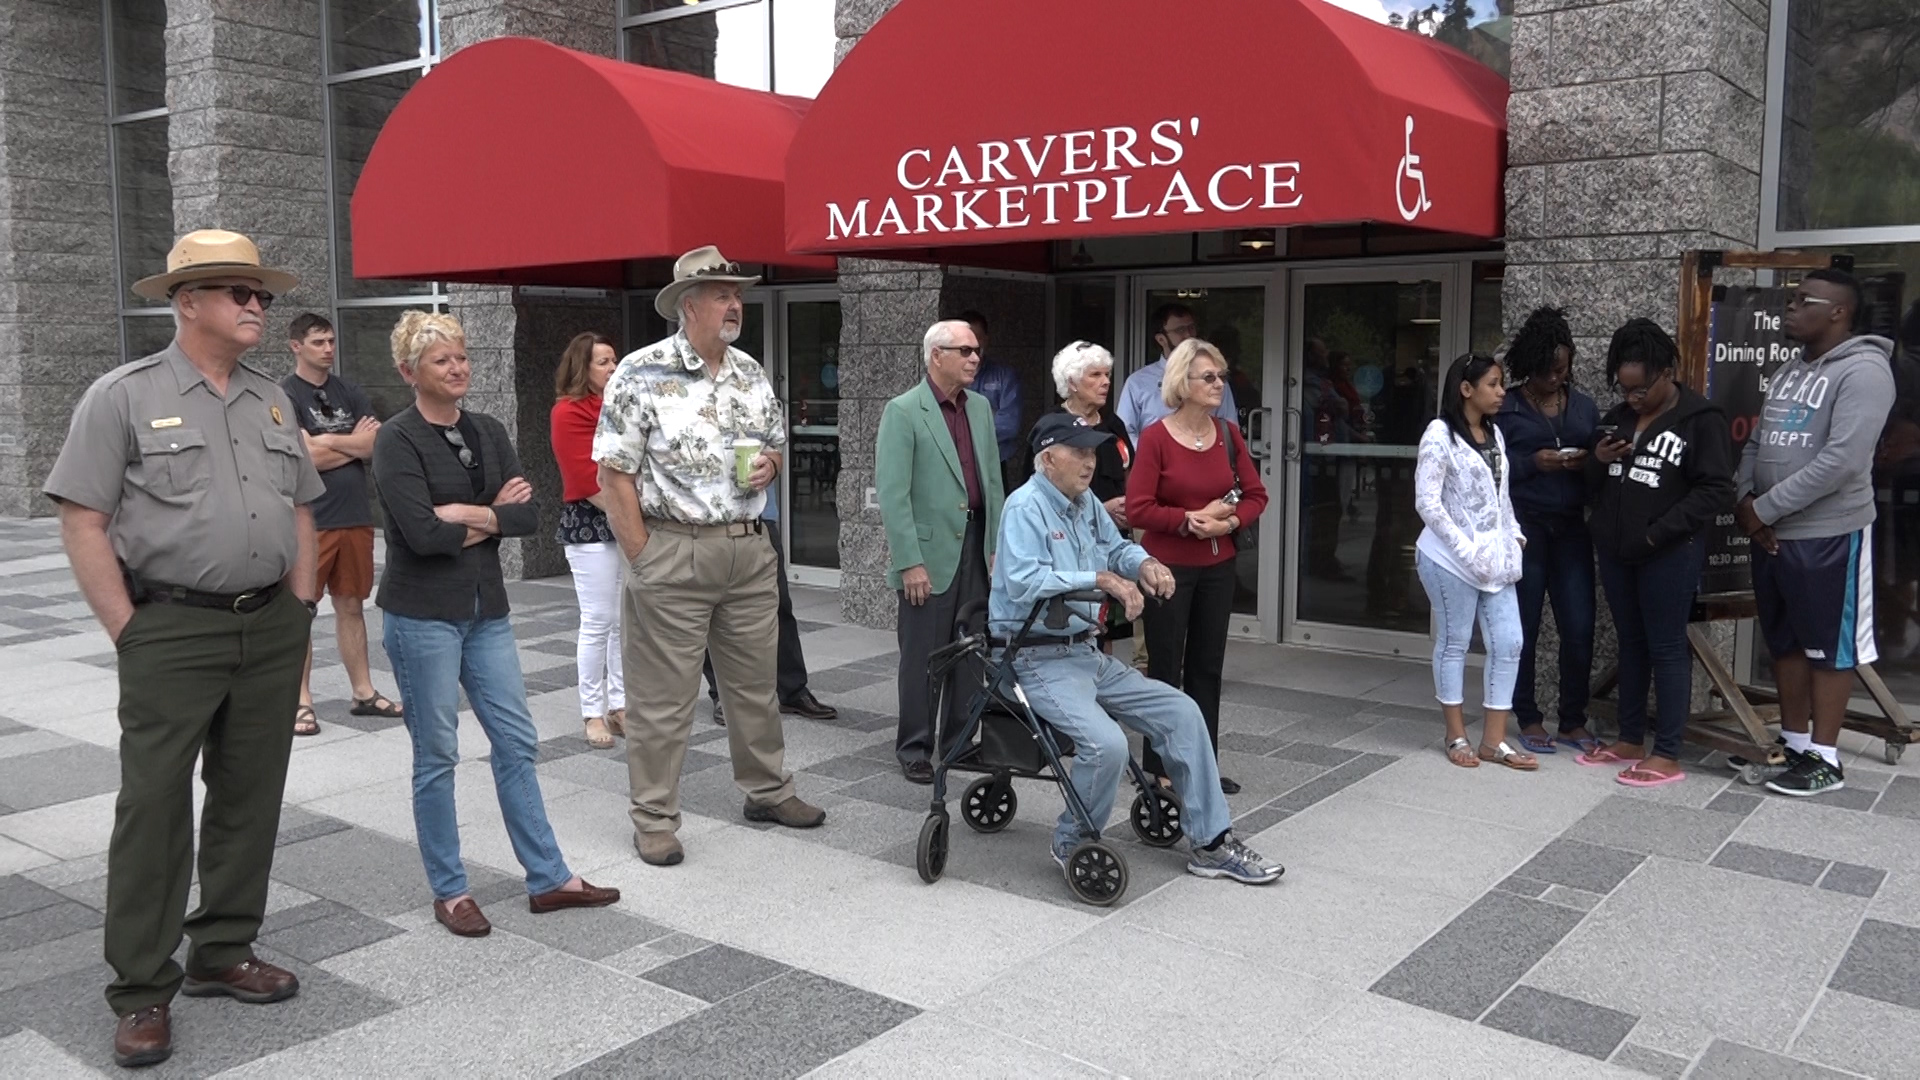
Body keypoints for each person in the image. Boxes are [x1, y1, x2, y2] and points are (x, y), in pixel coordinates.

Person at [44, 229, 324, 1068]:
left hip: (270, 624)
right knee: (155, 808)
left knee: (250, 794)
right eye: (239, 293)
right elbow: (82, 517)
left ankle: (222, 951)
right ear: (187, 301)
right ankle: (140, 989)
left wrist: (303, 601)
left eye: (262, 295)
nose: (257, 307)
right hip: (171, 627)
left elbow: (304, 504)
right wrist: (129, 628)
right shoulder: (122, 395)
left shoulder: (274, 399)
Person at [373, 310, 619, 937]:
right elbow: (422, 535)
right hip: (423, 615)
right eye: (441, 360)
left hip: (487, 613)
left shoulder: (486, 429)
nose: (457, 368)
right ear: (409, 372)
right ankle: (451, 891)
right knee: (437, 755)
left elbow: (529, 517)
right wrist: (488, 514)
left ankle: (549, 879)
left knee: (517, 744)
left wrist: (465, 512)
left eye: (460, 357)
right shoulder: (397, 439)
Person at [595, 246, 827, 868]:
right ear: (687, 305)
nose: (734, 305)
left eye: (738, 295)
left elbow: (775, 447)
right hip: (673, 549)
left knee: (755, 688)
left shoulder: (750, 372)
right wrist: (643, 556)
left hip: (747, 550)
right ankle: (654, 818)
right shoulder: (640, 374)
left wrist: (773, 465)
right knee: (663, 699)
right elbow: (613, 475)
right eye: (723, 295)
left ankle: (768, 791)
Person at [994, 415, 1282, 885]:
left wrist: (1146, 562)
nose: (1091, 462)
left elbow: (1115, 549)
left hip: (1085, 653)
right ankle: (1071, 839)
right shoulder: (1024, 507)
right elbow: (1024, 582)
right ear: (1047, 459)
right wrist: (1102, 580)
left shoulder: (1084, 502)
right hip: (1036, 656)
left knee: (1183, 712)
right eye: (1079, 452)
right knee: (1104, 745)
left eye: (1093, 452)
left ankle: (1211, 844)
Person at [1735, 269, 1897, 796]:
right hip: (1773, 534)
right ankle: (1797, 747)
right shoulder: (1788, 371)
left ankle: (1827, 760)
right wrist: (1746, 500)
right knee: (1784, 642)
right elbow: (1757, 441)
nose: (1789, 308)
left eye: (1803, 300)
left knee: (1829, 648)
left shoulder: (1866, 372)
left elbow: (1844, 461)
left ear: (1838, 312)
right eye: (1789, 298)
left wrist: (1767, 509)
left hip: (1829, 534)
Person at [1579, 320, 1735, 785]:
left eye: (1641, 388)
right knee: (1631, 642)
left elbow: (1715, 491)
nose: (1633, 398)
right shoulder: (1616, 419)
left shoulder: (1702, 420)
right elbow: (1590, 487)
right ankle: (1630, 738)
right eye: (1624, 389)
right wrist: (1596, 461)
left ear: (1669, 372)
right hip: (1616, 550)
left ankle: (1667, 752)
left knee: (1667, 648)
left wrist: (1656, 533)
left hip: (1668, 553)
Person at [1126, 339, 1266, 795]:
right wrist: (1188, 522)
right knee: (1166, 668)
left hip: (1219, 566)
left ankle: (1202, 765)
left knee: (1208, 668)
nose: (1218, 384)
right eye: (1208, 377)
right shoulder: (1156, 438)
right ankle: (1162, 765)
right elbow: (1139, 508)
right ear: (1181, 383)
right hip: (1168, 570)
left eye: (1220, 376)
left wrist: (1226, 520)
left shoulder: (1228, 433)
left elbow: (1256, 495)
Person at [875, 318, 1007, 784]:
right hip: (927, 555)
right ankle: (914, 746)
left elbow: (993, 481)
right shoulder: (904, 411)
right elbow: (893, 494)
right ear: (936, 356)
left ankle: (959, 740)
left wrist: (996, 546)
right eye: (965, 351)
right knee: (924, 657)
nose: (975, 358)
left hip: (975, 546)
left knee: (971, 651)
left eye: (976, 351)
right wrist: (909, 561)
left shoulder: (981, 409)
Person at [280, 312, 401, 736]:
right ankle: (300, 701)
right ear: (296, 346)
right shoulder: (284, 394)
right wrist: (351, 443)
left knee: (352, 605)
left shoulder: (348, 389)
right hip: (311, 520)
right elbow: (304, 458)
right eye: (318, 342)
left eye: (331, 340)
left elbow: (376, 444)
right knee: (302, 611)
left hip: (354, 516)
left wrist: (327, 441)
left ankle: (363, 692)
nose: (328, 348)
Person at [1413, 353, 1534, 771]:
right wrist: (1466, 550)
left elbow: (1502, 496)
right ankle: (1455, 734)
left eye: (1501, 384)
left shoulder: (1495, 434)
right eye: (1493, 384)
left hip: (1496, 560)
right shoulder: (1439, 434)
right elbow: (1428, 502)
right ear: (1466, 389)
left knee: (1509, 642)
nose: (1502, 392)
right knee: (1455, 641)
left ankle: (1495, 742)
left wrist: (1514, 535)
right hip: (1449, 559)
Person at [1491, 306, 1600, 756]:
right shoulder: (1509, 407)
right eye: (1548, 371)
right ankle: (1529, 716)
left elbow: (1599, 466)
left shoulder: (1584, 407)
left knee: (1579, 626)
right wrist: (1531, 464)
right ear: (1529, 366)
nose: (1557, 378)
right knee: (1525, 626)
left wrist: (1594, 461)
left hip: (1573, 528)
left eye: (1563, 369)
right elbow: (1490, 467)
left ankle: (1573, 720)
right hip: (1527, 529)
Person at [699, 481, 840, 726]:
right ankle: (721, 693)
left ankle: (792, 689)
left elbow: (774, 451)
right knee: (710, 610)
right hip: (710, 522)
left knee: (779, 606)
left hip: (760, 517)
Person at [550, 331, 626, 749]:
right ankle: (592, 713)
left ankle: (619, 705)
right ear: (582, 368)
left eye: (614, 360)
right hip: (591, 522)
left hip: (625, 518)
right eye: (603, 362)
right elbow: (583, 477)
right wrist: (631, 518)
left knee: (620, 623)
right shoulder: (569, 411)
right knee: (598, 620)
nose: (613, 368)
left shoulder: (619, 406)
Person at [1045, 340, 1134, 649]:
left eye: (1107, 374)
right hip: (1071, 547)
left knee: (1107, 632)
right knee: (1083, 628)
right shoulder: (1053, 428)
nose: (1106, 381)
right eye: (1095, 375)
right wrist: (1101, 509)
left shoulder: (1114, 424)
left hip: (1113, 542)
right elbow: (1041, 494)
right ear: (1071, 382)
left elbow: (1128, 471)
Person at [1116, 303, 1239, 445]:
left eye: (1191, 328)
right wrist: (1151, 455)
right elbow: (1125, 432)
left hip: (1203, 458)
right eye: (1180, 330)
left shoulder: (1216, 379)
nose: (1188, 335)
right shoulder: (1138, 382)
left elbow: (1230, 429)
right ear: (1161, 339)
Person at [957, 309, 1023, 494]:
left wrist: (964, 432)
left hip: (995, 463)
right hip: (957, 466)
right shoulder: (951, 377)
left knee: (994, 517)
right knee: (966, 518)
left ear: (986, 339)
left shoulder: (1004, 376)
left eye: (977, 338)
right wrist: (987, 418)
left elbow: (1009, 425)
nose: (973, 345)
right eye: (966, 339)